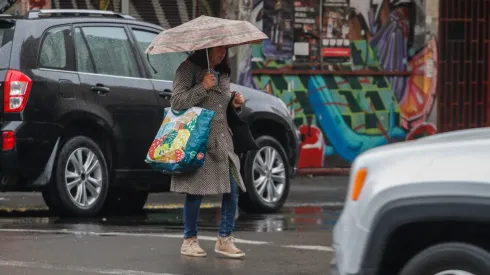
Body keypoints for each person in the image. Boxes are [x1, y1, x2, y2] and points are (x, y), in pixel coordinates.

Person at [170, 46, 248, 259]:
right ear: (206, 48)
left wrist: (234, 103)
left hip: (223, 140)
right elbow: (176, 102)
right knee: (196, 191)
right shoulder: (189, 69)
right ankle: (189, 240)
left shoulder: (222, 73)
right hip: (199, 139)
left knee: (232, 189)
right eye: (218, 49)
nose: (222, 53)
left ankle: (225, 238)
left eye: (225, 48)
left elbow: (220, 105)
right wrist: (202, 87)